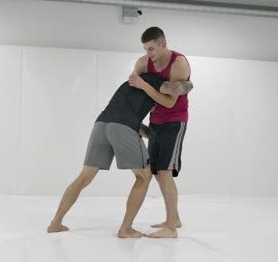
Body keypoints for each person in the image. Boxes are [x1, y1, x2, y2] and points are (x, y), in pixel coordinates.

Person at [47, 72, 192, 238]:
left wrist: (155, 137)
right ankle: (126, 228)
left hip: (101, 125)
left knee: (84, 177)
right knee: (144, 176)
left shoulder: (129, 86)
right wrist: (184, 86)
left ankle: (55, 223)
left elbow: (133, 123)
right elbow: (176, 89)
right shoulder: (155, 81)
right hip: (122, 127)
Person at [129, 26, 192, 238]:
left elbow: (169, 101)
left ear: (163, 44)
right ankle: (173, 218)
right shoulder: (143, 63)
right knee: (157, 173)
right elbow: (132, 90)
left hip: (175, 120)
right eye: (146, 49)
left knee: (165, 172)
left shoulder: (179, 64)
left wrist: (145, 87)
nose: (150, 54)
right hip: (154, 120)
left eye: (152, 49)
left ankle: (171, 229)